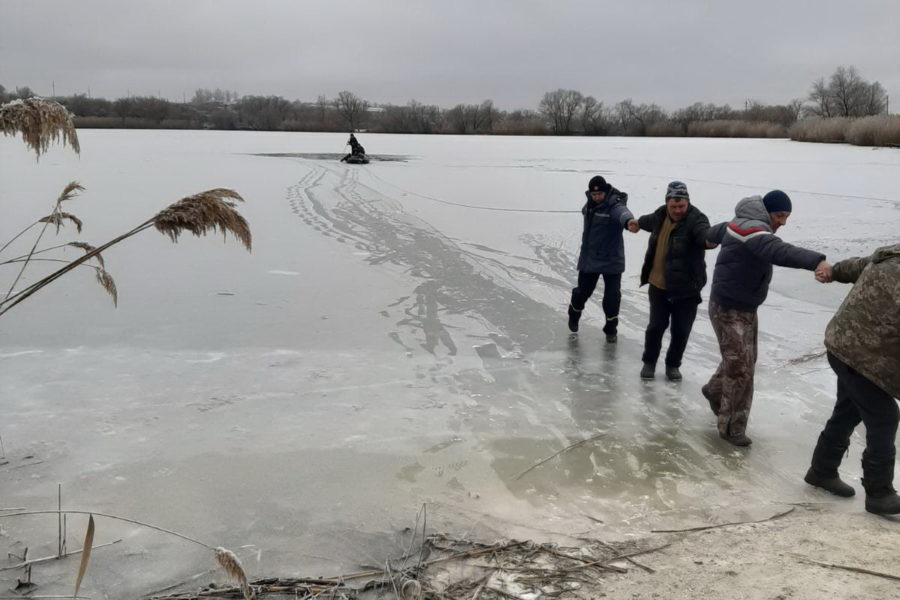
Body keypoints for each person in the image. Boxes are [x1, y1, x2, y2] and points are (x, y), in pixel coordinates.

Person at [703, 190, 828, 446]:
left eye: (787, 217)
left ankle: (715, 390)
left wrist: (708, 239)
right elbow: (779, 252)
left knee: (743, 361)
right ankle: (731, 428)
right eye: (780, 216)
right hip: (729, 309)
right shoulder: (753, 232)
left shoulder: (739, 225)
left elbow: (714, 232)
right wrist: (817, 261)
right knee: (741, 370)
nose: (783, 222)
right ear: (767, 212)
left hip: (743, 306)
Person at [804, 244, 900, 515]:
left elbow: (857, 266)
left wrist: (832, 272)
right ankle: (880, 492)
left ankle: (821, 470)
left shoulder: (893, 253)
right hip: (864, 354)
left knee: (849, 409)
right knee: (884, 416)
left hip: (842, 342)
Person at [635, 181, 712, 381]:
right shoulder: (660, 215)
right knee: (655, 327)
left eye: (681, 206)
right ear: (667, 203)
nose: (678, 210)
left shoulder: (697, 219)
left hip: (686, 289)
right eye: (674, 206)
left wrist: (709, 241)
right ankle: (649, 362)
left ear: (688, 203)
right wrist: (634, 223)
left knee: (681, 330)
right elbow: (646, 221)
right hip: (658, 285)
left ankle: (672, 365)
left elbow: (703, 235)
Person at [568, 175, 638, 342]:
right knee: (582, 292)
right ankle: (574, 313)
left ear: (606, 192)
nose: (597, 197)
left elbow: (622, 212)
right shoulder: (590, 205)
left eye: (600, 195)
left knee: (612, 298)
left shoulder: (614, 204)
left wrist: (629, 222)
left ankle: (611, 328)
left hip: (612, 260)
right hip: (591, 257)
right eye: (594, 195)